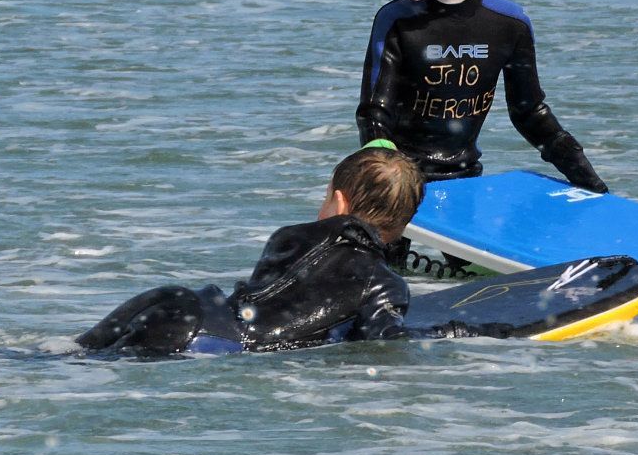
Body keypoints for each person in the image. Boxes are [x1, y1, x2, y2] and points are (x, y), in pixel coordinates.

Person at [357, 0, 606, 192]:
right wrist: (389, 183)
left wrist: (586, 177)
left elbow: (529, 112)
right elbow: (374, 113)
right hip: (396, 179)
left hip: (465, 179)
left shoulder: (508, 24)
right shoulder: (396, 21)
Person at [75, 148, 423, 356]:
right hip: (209, 341)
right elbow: (382, 343)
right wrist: (454, 332)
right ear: (403, 225)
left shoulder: (288, 236)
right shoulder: (383, 282)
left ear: (338, 202)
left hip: (179, 303)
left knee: (73, 356)